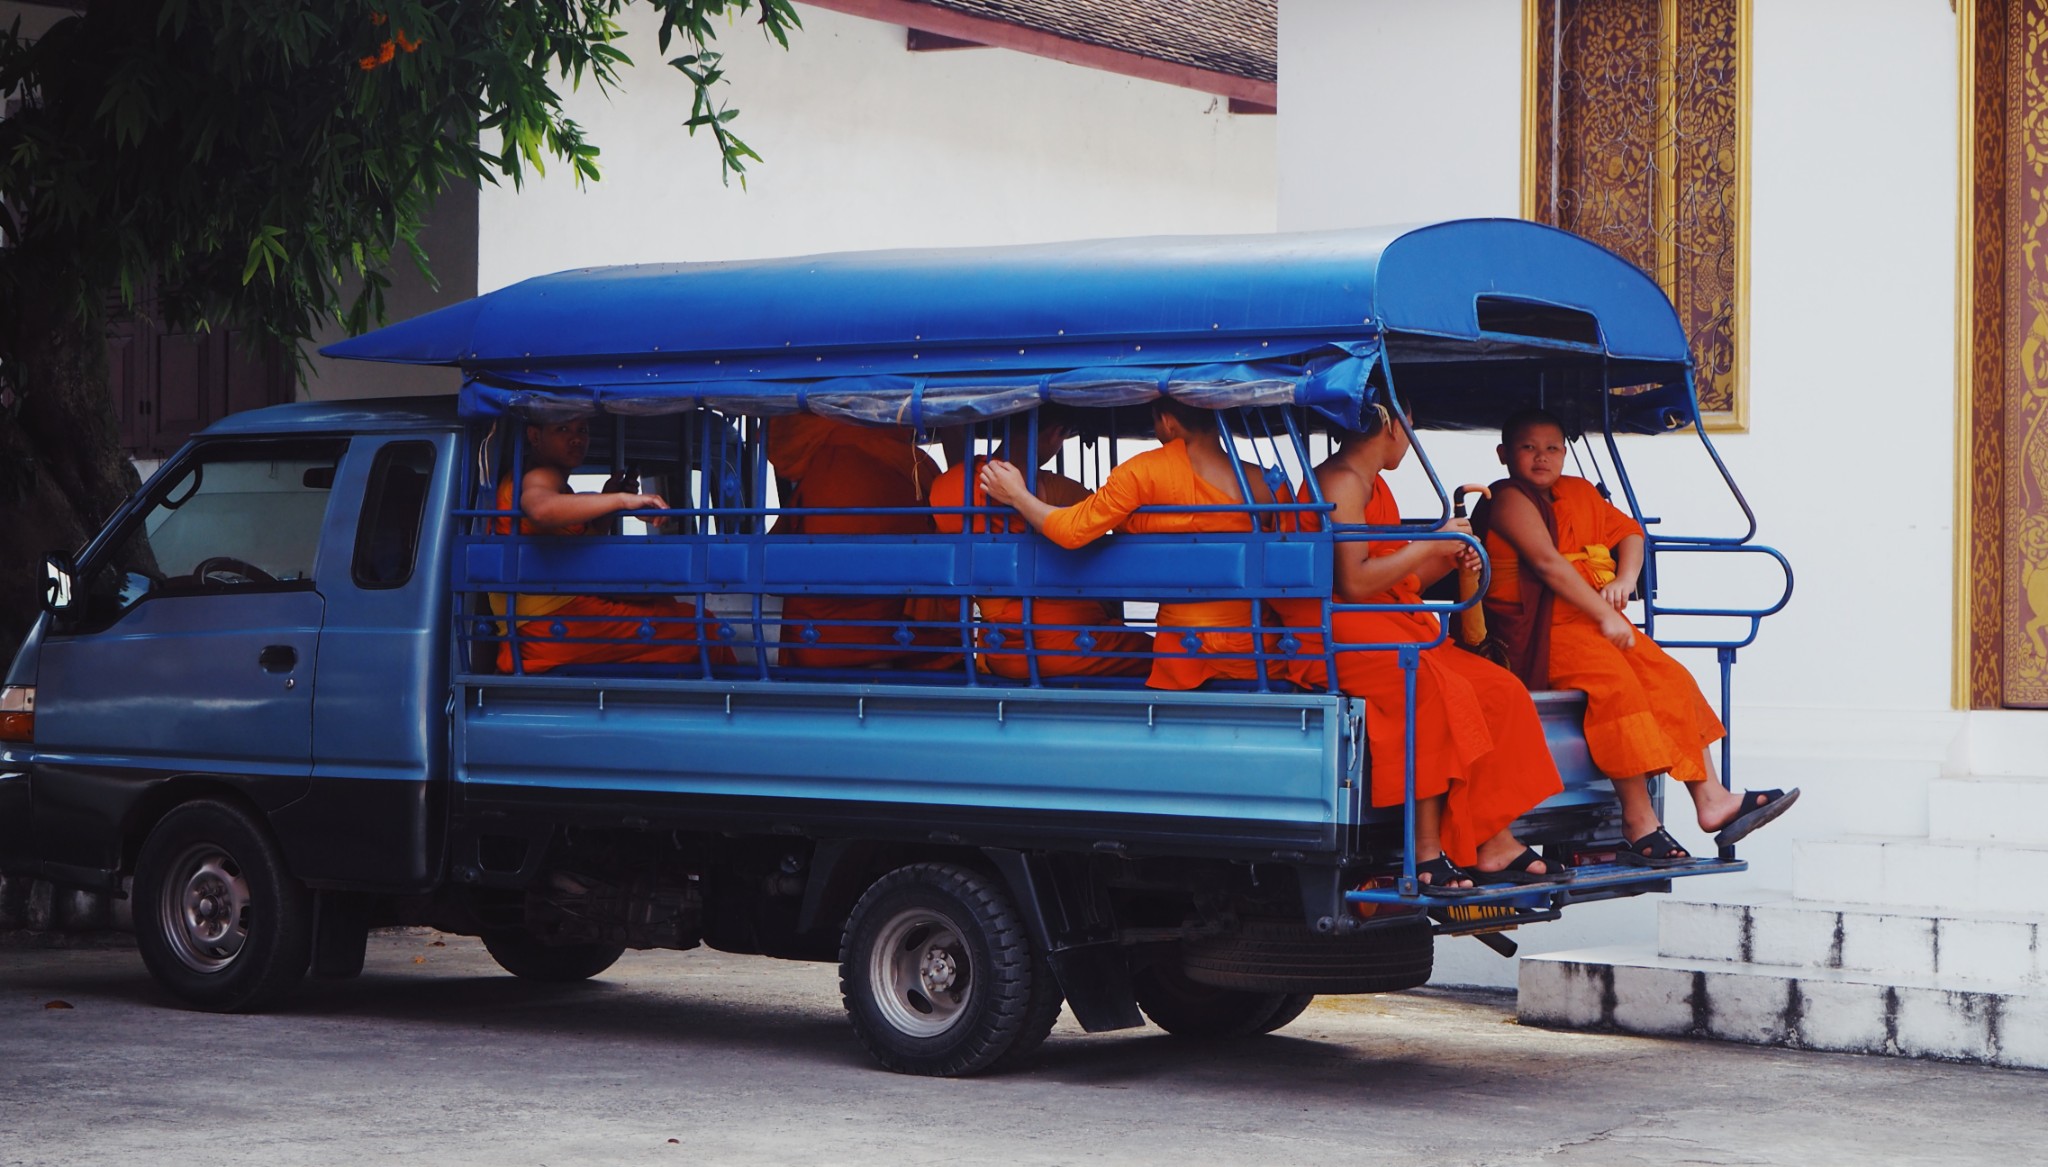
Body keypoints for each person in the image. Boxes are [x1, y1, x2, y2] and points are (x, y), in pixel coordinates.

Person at [1475, 409, 1797, 865]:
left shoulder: (1580, 492)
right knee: (1617, 687)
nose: (1541, 458)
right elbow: (1547, 564)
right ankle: (1638, 820)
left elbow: (1629, 533)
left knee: (1668, 676)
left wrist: (1624, 579)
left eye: (1552, 448)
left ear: (1565, 453)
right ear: (1504, 454)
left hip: (1591, 618)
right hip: (1542, 630)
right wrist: (1604, 618)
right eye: (1528, 448)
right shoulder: (1508, 498)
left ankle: (1712, 799)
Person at [1280, 404, 1567, 891]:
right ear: (1390, 423)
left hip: (1386, 620)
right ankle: (1427, 850)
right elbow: (1352, 582)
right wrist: (1429, 544)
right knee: (1432, 689)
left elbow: (1401, 580)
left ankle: (1494, 838)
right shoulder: (1341, 481)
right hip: (1336, 630)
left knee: (1500, 689)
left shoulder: (1376, 485)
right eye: (1409, 426)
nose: (1410, 440)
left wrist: (1449, 555)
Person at [979, 397, 1318, 692]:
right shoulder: (1267, 485)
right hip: (1257, 650)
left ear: (1166, 421)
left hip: (1183, 654)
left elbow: (1072, 531)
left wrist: (1017, 496)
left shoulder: (1145, 473)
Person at [492, 416, 729, 675]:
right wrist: (622, 500)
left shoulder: (549, 484)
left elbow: (573, 549)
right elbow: (540, 508)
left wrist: (606, 501)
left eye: (582, 429)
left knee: (668, 607)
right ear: (535, 436)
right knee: (704, 627)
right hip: (553, 626)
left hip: (540, 627)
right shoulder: (540, 474)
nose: (576, 438)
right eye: (562, 428)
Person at [929, 414, 1152, 679]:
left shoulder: (946, 487)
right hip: (1071, 645)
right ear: (1056, 433)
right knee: (1160, 656)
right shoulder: (1066, 493)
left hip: (998, 649)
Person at [768, 413, 960, 670]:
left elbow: (771, 567)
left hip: (813, 644)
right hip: (897, 647)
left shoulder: (819, 469)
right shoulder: (909, 469)